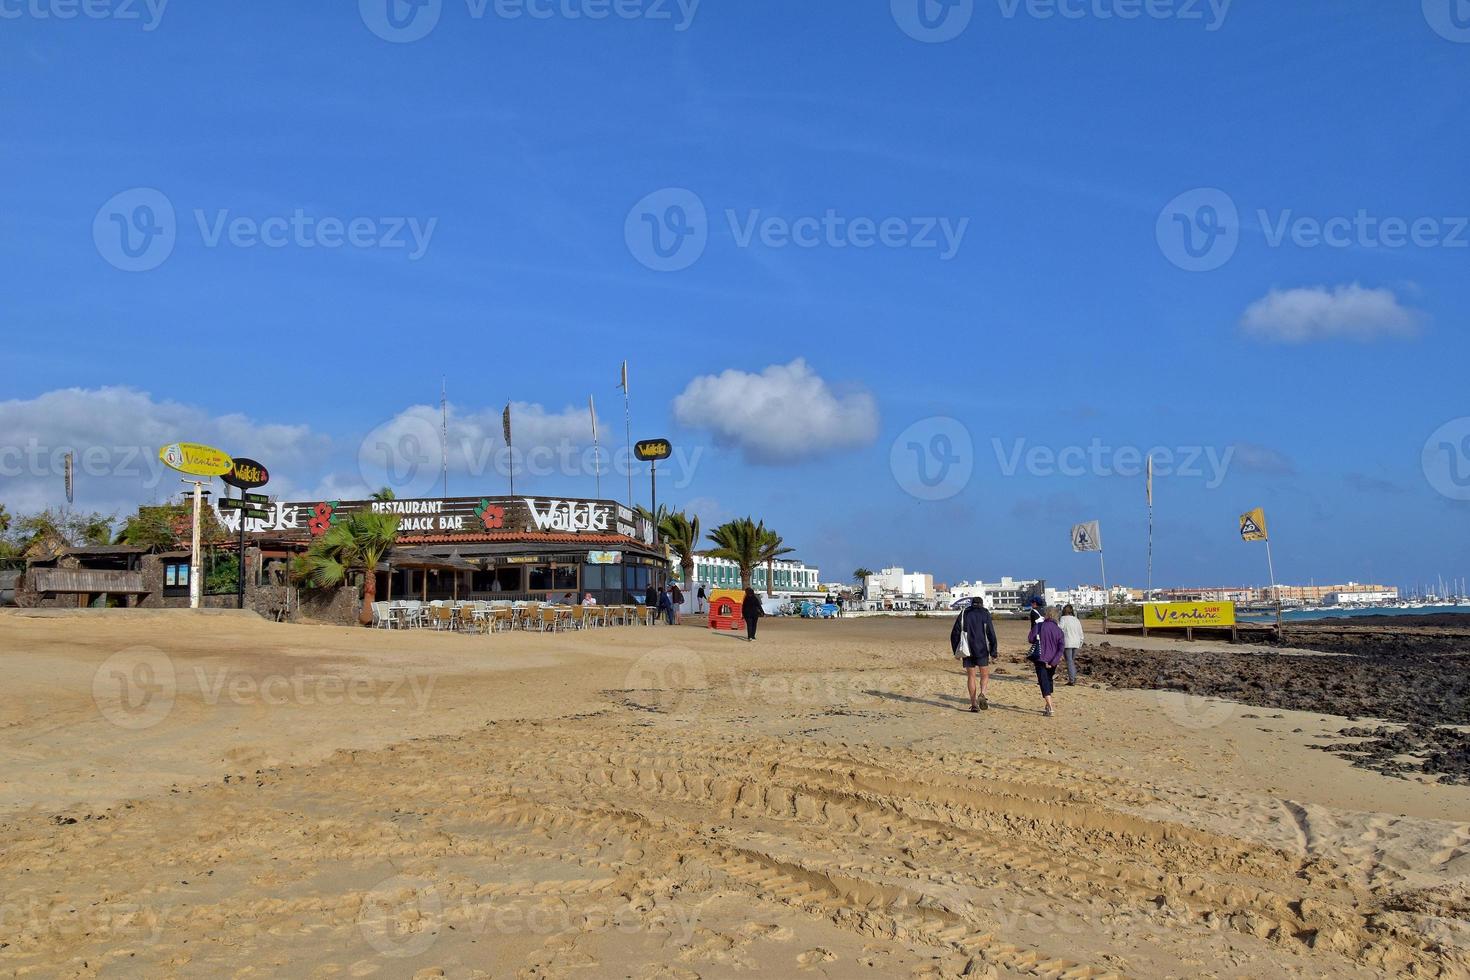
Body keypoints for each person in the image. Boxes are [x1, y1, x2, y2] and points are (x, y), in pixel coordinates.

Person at [949, 596, 999, 712]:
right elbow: (991, 633)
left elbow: (954, 633)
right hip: (982, 649)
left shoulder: (964, 613)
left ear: (971, 603)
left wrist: (956, 651)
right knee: (984, 675)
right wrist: (993, 651)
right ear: (981, 604)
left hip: (967, 649)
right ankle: (982, 693)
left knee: (971, 676)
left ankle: (974, 704)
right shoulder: (985, 613)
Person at [1028, 606, 1066, 717]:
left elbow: (1030, 638)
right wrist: (1054, 661)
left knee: (1043, 681)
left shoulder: (1039, 626)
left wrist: (1038, 638)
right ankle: (1047, 705)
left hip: (1041, 658)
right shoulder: (1059, 630)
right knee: (1048, 680)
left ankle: (1050, 706)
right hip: (1053, 659)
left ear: (1046, 614)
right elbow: (1061, 648)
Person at [1058, 603, 1084, 685]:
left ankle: (1072, 680)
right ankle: (1073, 677)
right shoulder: (1076, 619)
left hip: (1067, 642)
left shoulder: (1063, 618)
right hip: (1076, 642)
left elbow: (1060, 629)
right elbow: (1080, 632)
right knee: (1071, 661)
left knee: (1069, 661)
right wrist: (1081, 642)